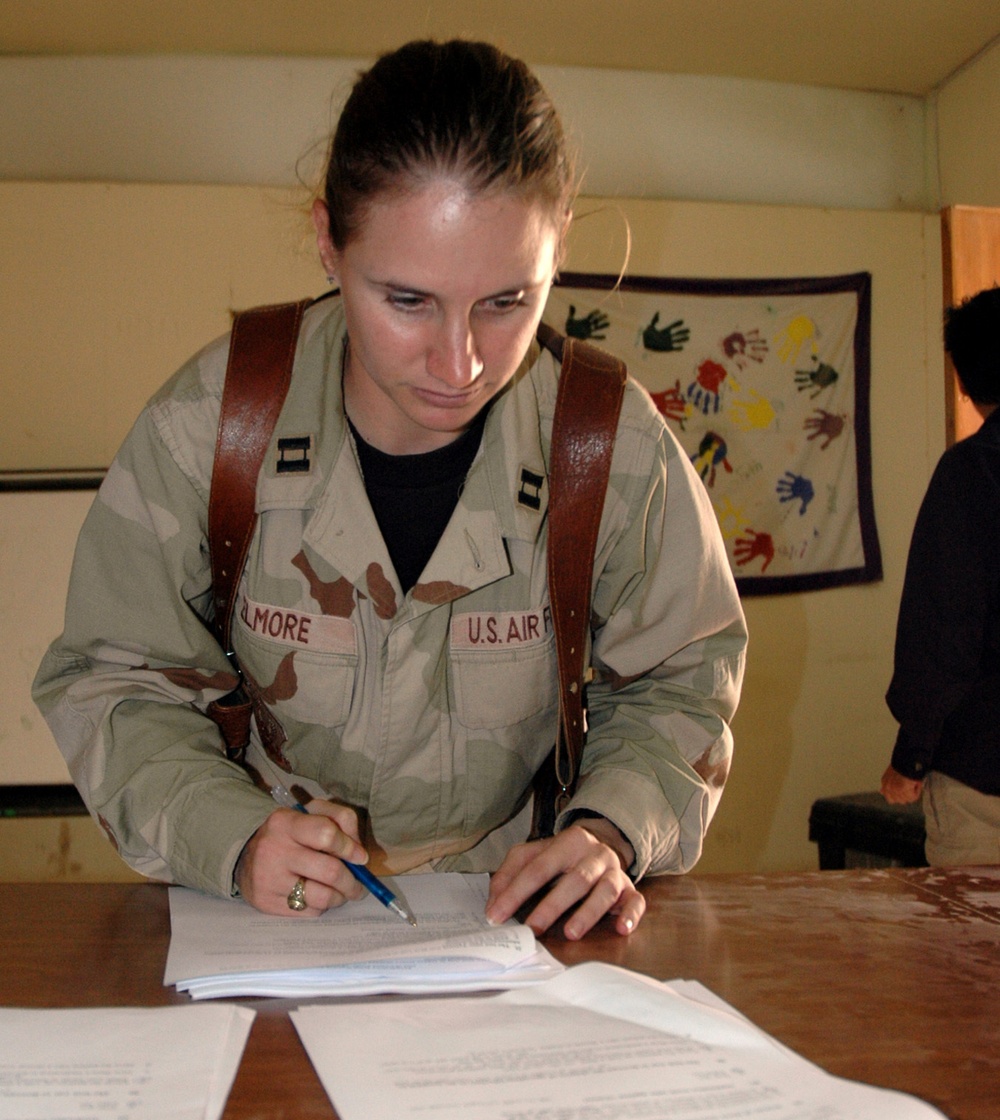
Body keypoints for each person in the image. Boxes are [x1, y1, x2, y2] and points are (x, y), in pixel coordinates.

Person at [34, 39, 746, 937]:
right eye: (407, 300)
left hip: (512, 924)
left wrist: (609, 825)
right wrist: (238, 834)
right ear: (328, 242)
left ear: (559, 248)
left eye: (507, 300)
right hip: (262, 909)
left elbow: (681, 680)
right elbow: (113, 674)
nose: (462, 362)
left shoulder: (611, 448)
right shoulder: (214, 425)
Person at [880, 285, 1000, 864]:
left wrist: (911, 757)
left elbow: (944, 635)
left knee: (970, 955)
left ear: (963, 380)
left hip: (984, 777)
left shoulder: (971, 474)